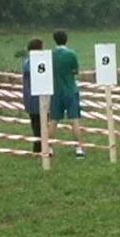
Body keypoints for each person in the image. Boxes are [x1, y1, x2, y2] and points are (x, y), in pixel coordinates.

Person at [48, 30, 84, 158]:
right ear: (66, 39)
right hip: (70, 89)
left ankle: (50, 148)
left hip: (56, 90)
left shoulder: (50, 55)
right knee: (74, 120)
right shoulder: (71, 54)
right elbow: (75, 70)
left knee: (53, 120)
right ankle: (78, 148)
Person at [22, 38, 43, 153]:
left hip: (29, 97)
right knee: (39, 124)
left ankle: (39, 146)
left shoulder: (27, 61)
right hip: (36, 97)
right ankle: (39, 147)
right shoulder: (33, 63)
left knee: (36, 124)